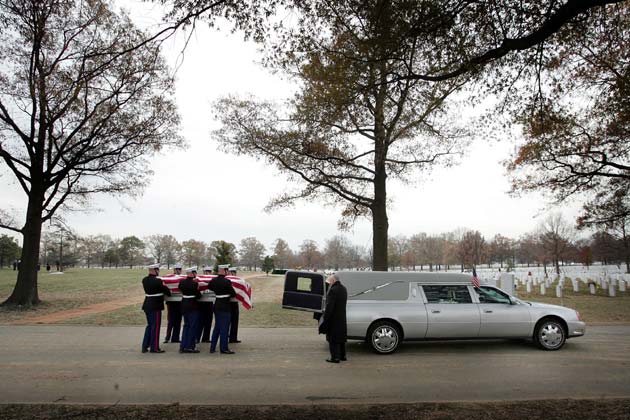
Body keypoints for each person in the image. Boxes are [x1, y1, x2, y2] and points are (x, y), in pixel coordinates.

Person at [141, 264, 171, 353]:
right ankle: (154, 347)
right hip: (155, 306)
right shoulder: (158, 281)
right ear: (155, 270)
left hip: (147, 304)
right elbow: (168, 293)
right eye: (158, 270)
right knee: (156, 327)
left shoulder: (144, 280)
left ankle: (145, 346)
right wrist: (164, 285)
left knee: (149, 326)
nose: (158, 272)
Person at [318, 274, 348, 363]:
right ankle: (343, 356)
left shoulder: (333, 290)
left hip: (334, 318)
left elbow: (330, 306)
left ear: (333, 281)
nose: (329, 283)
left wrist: (325, 317)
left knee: (333, 339)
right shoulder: (344, 289)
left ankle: (335, 358)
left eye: (330, 281)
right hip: (342, 317)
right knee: (341, 339)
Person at [207, 264, 236, 354]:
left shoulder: (213, 280)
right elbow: (233, 293)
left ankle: (212, 347)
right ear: (224, 271)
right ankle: (224, 348)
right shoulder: (227, 282)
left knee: (217, 327)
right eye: (227, 270)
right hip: (224, 306)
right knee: (224, 328)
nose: (227, 272)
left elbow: (209, 287)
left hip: (217, 305)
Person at [178, 267, 202, 353]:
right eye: (195, 273)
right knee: (193, 326)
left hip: (184, 304)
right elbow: (198, 295)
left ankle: (183, 346)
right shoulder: (194, 284)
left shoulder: (182, 282)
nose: (195, 274)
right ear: (191, 273)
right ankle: (190, 346)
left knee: (186, 326)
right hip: (192, 305)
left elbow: (180, 289)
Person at [164, 263, 183, 344]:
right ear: (174, 270)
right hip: (171, 302)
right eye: (177, 269)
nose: (178, 271)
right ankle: (167, 337)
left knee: (178, 320)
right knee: (171, 320)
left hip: (179, 302)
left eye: (180, 269)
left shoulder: (182, 278)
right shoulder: (169, 277)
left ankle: (175, 338)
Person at [196, 266, 215, 343]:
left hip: (209, 303)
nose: (207, 273)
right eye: (206, 271)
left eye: (209, 271)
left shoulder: (213, 280)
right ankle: (197, 337)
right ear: (203, 272)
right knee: (200, 321)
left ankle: (206, 338)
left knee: (208, 321)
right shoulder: (199, 280)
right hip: (201, 303)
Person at [228, 266, 241, 344]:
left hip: (235, 303)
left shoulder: (238, 281)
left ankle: (233, 338)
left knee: (235, 321)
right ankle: (227, 337)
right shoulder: (227, 281)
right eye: (233, 272)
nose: (234, 274)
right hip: (228, 303)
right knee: (227, 322)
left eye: (234, 273)